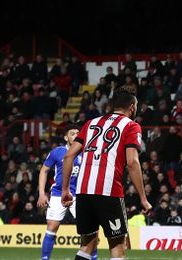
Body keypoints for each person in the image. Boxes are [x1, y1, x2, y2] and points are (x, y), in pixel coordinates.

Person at [61, 87, 152, 260]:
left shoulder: (90, 123)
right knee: (117, 245)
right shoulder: (131, 126)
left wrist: (66, 189)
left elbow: (68, 156)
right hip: (108, 191)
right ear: (132, 107)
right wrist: (143, 198)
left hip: (83, 191)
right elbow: (132, 162)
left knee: (87, 244)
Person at [37, 127, 96, 260]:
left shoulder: (86, 152)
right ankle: (45, 258)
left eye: (77, 133)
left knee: (89, 231)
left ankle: (93, 257)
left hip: (80, 195)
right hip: (58, 194)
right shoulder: (57, 152)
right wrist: (42, 193)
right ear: (66, 138)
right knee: (51, 227)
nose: (75, 135)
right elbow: (44, 170)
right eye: (72, 133)